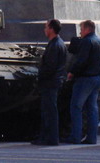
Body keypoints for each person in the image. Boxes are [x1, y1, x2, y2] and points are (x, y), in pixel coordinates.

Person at [65, 19, 100, 145]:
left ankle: (75, 137)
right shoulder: (99, 41)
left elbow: (81, 60)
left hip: (85, 79)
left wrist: (72, 72)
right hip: (97, 77)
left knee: (76, 107)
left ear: (88, 29)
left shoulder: (86, 41)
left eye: (81, 29)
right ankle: (92, 138)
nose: (80, 32)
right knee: (92, 109)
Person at [32, 18, 65, 146]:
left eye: (46, 27)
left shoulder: (55, 45)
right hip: (53, 82)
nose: (44, 29)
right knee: (49, 111)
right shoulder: (57, 43)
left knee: (49, 111)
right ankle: (47, 137)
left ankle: (50, 138)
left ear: (51, 29)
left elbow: (50, 67)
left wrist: (40, 77)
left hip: (50, 83)